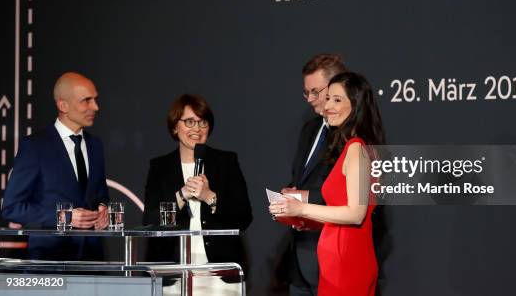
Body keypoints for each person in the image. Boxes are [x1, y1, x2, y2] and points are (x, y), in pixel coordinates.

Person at [270, 72, 385, 296]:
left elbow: (356, 214)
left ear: (357, 105)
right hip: (335, 260)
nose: (327, 106)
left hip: (347, 262)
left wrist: (301, 208)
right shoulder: (350, 148)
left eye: (337, 100)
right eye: (328, 98)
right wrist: (309, 221)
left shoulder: (357, 149)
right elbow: (342, 212)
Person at [142, 94, 252, 293]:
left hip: (220, 272)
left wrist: (209, 196)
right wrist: (181, 195)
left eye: (202, 122)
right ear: (175, 127)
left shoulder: (225, 162)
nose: (197, 129)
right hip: (172, 272)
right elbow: (149, 218)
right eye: (189, 122)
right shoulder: (160, 166)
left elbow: (244, 217)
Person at [2, 72, 110, 260]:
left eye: (95, 99)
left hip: (93, 261)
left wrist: (102, 209)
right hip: (49, 262)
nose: (96, 107)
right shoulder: (35, 146)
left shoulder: (95, 145)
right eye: (87, 100)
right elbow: (12, 207)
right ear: (63, 105)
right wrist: (63, 217)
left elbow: (100, 195)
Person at [280, 53, 346, 296]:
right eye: (306, 92)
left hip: (335, 257)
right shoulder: (310, 129)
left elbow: (353, 197)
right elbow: (301, 179)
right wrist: (288, 194)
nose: (309, 99)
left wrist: (303, 198)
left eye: (315, 92)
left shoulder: (355, 134)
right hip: (301, 260)